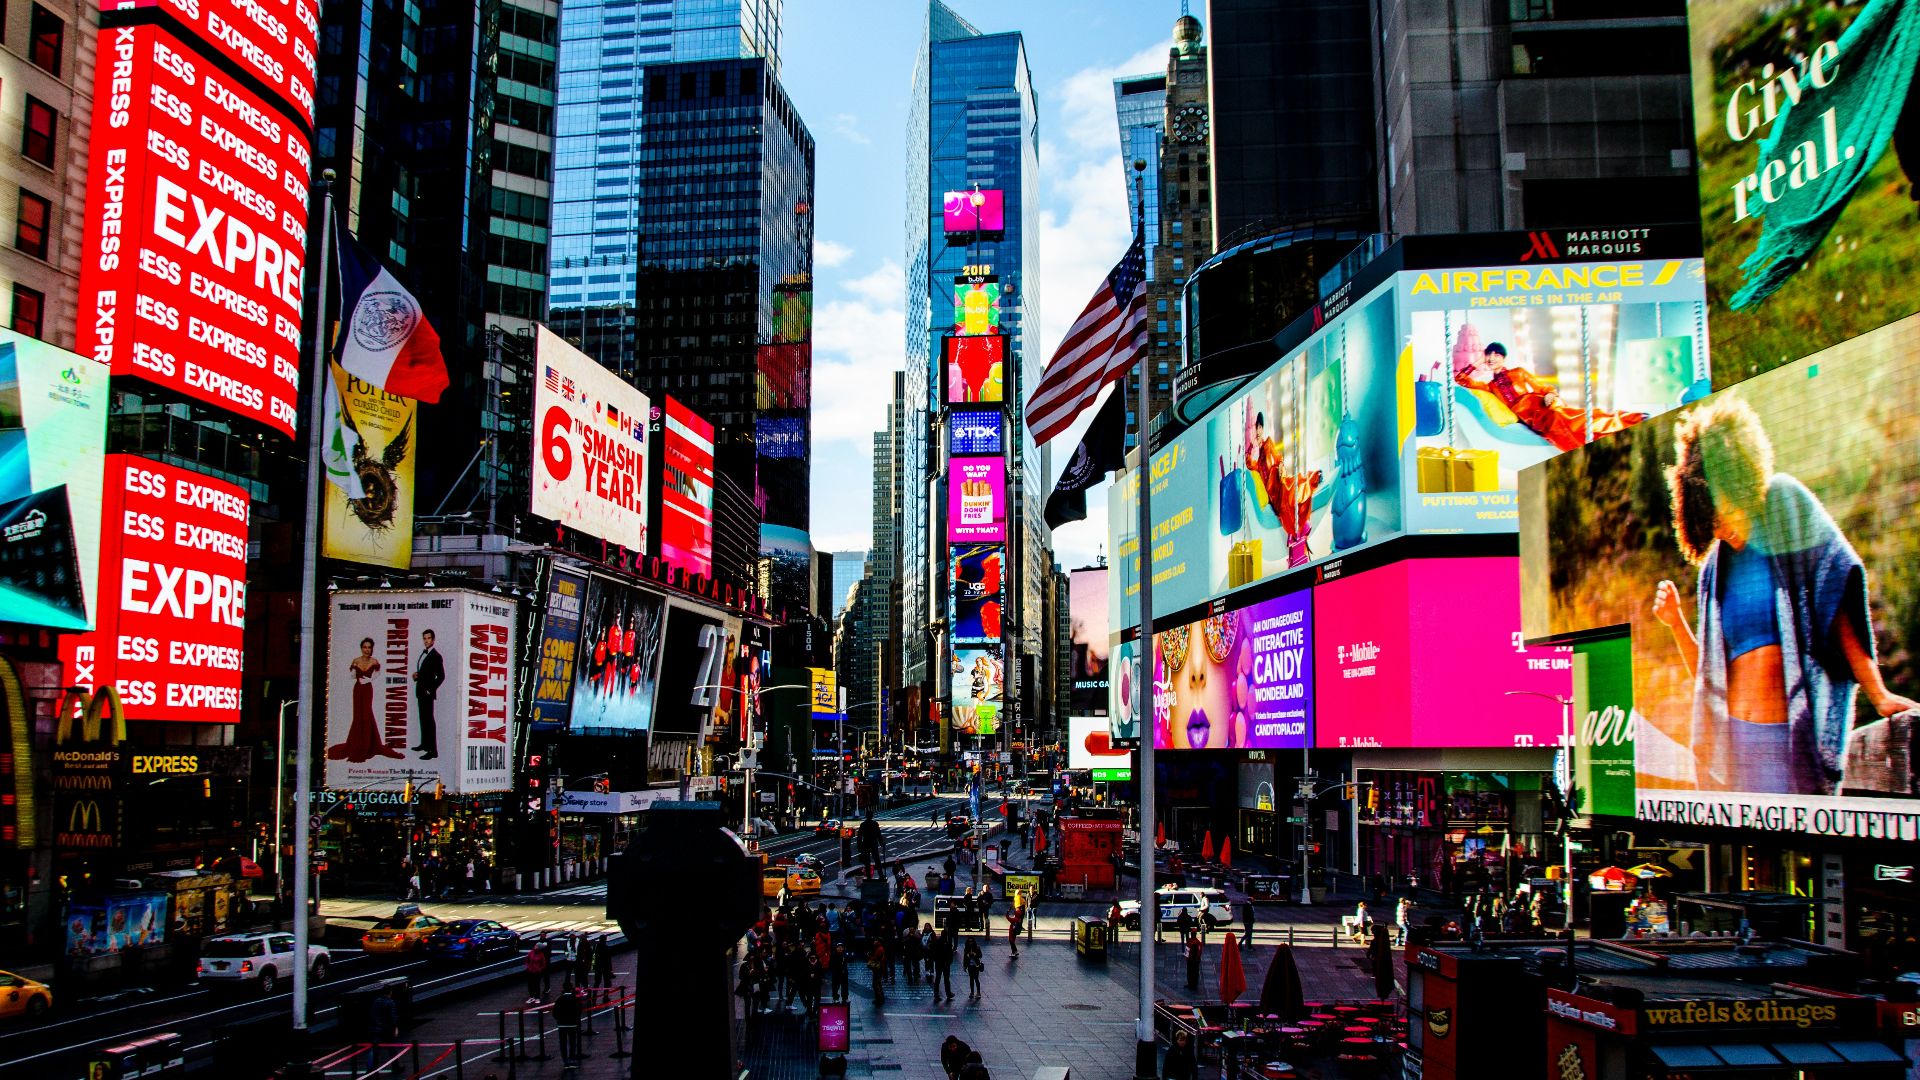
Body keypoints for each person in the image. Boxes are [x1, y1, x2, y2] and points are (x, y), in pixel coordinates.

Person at [1649, 395, 1918, 795]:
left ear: (1740, 477)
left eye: (1722, 510)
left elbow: (1836, 598)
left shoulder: (1785, 506)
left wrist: (1878, 694)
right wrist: (1676, 624)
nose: (1719, 527)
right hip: (1735, 749)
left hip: (1787, 740)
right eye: (1709, 520)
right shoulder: (1713, 571)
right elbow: (1709, 676)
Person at [328, 639, 403, 761]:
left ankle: (368, 745)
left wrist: (368, 680)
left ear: (372, 648)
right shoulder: (356, 660)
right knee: (358, 715)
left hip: (367, 689)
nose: (367, 649)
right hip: (357, 689)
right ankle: (357, 744)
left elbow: (376, 675)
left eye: (369, 647)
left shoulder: (374, 661)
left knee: (367, 714)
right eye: (365, 647)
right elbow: (352, 676)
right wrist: (354, 670)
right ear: (361, 648)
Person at [412, 628, 445, 760]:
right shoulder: (424, 653)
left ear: (433, 639)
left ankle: (433, 751)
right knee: (423, 719)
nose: (426, 641)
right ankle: (425, 744)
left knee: (429, 721)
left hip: (427, 693)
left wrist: (430, 689)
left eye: (428, 638)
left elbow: (441, 676)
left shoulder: (436, 656)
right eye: (424, 638)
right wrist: (417, 675)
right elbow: (427, 674)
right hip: (420, 692)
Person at [551, 982, 582, 1063]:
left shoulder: (559, 999)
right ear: (572, 988)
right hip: (572, 1023)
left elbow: (554, 1012)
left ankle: (565, 1060)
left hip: (562, 1024)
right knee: (572, 1042)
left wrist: (559, 1019)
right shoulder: (575, 998)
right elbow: (579, 1010)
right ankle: (572, 1058)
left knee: (563, 1043)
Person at [930, 926, 955, 1003]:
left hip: (939, 963)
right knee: (946, 979)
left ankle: (936, 994)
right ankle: (948, 993)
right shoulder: (947, 943)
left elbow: (934, 952)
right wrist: (950, 961)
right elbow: (950, 953)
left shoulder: (938, 942)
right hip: (945, 963)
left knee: (938, 979)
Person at [524, 937, 548, 1004]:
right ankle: (531, 997)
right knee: (530, 985)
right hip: (530, 971)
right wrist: (528, 967)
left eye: (537, 946)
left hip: (537, 972)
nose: (535, 946)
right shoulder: (531, 952)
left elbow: (544, 964)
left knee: (536, 985)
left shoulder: (541, 955)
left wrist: (539, 969)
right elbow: (527, 960)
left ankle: (537, 997)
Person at [867, 938, 888, 1008]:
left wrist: (869, 956)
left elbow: (876, 958)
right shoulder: (878, 948)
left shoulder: (879, 949)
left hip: (878, 969)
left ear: (878, 942)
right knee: (878, 984)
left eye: (875, 940)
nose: (874, 942)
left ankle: (879, 999)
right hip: (879, 969)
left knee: (876, 984)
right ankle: (879, 998)